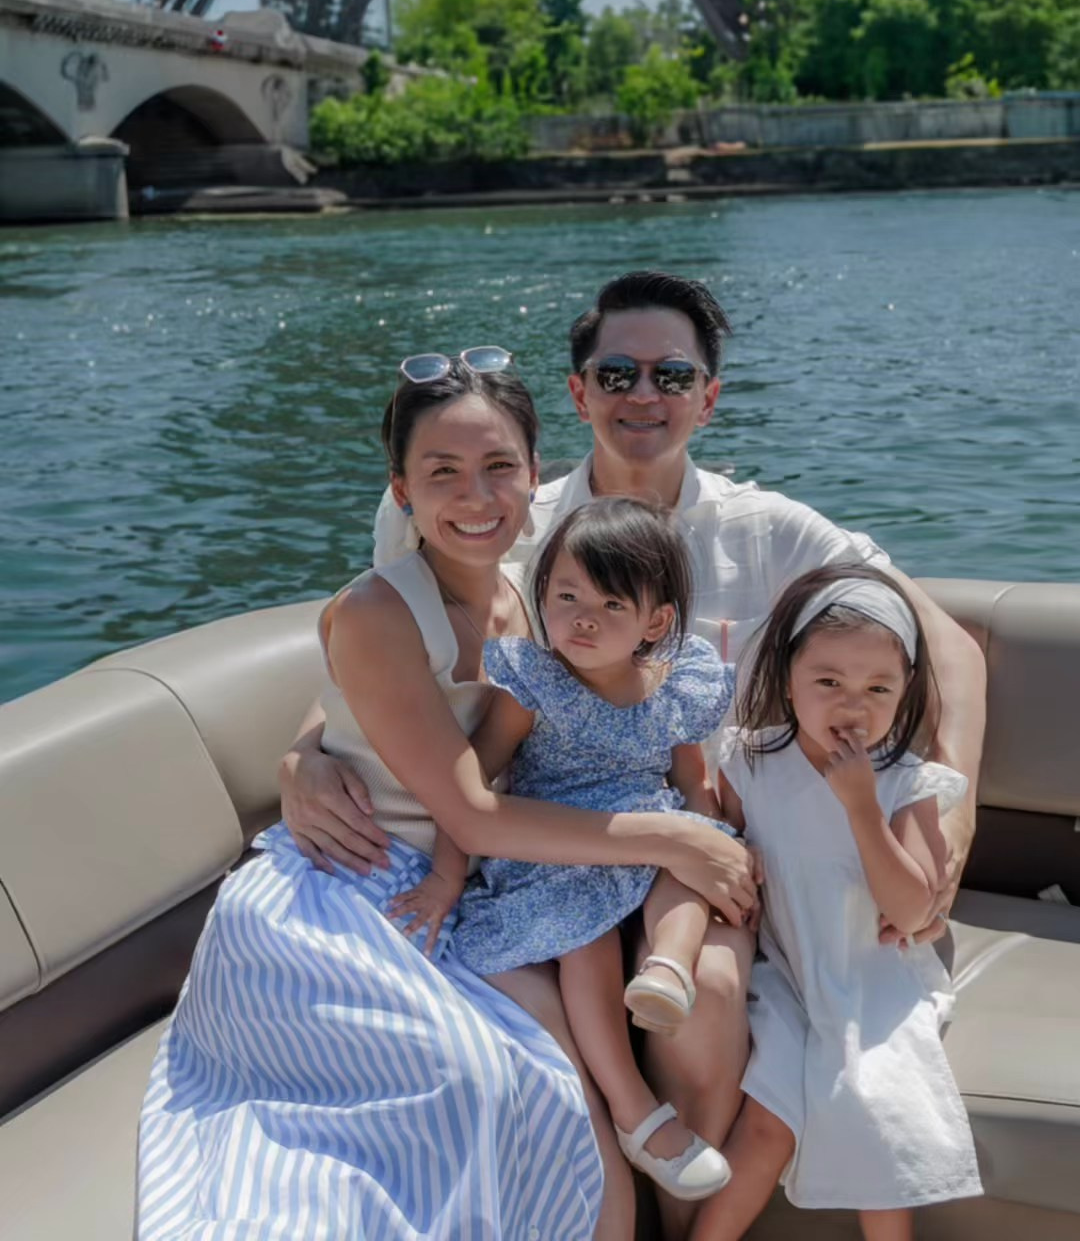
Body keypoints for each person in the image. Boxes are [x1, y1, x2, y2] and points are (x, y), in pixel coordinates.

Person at [284, 270, 986, 1240]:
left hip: (723, 861)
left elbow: (944, 642)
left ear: (709, 394)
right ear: (578, 394)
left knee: (703, 992)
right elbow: (387, 660)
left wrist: (951, 803)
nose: (642, 394)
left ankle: (670, 1212)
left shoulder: (771, 529)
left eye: (670, 373)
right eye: (616, 372)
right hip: (552, 842)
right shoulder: (506, 521)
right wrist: (307, 750)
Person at [138, 351, 757, 1241]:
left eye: (499, 467)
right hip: (367, 882)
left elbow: (391, 708)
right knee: (508, 1079)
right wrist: (672, 839)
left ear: (534, 474)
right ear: (400, 489)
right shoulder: (379, 611)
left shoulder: (532, 592)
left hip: (492, 874)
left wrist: (306, 744)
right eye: (442, 473)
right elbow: (462, 803)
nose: (476, 496)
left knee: (551, 1077)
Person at [392, 495, 742, 1202]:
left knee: (691, 853)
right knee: (586, 936)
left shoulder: (678, 683)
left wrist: (718, 849)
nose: (582, 617)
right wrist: (446, 877)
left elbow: (691, 784)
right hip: (555, 846)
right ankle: (635, 1112)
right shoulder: (535, 684)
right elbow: (473, 780)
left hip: (648, 833)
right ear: (541, 596)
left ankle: (668, 972)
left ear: (657, 622)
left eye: (612, 605)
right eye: (565, 596)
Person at [691, 563, 981, 1240]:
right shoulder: (748, 762)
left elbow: (910, 913)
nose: (853, 706)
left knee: (871, 1107)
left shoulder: (908, 784)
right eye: (828, 683)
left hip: (873, 981)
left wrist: (860, 809)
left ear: (906, 688)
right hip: (785, 975)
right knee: (767, 1126)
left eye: (877, 687)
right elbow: (728, 848)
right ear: (787, 678)